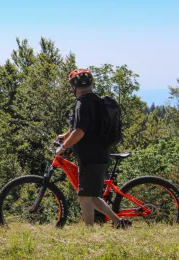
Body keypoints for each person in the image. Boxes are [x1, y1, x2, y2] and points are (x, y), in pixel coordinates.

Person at [55, 68, 131, 229]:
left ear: (73, 87)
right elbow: (79, 127)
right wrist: (65, 135)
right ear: (91, 84)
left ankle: (89, 234)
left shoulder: (82, 103)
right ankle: (119, 223)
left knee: (84, 197)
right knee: (91, 196)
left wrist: (63, 146)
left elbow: (80, 131)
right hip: (98, 154)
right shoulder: (96, 101)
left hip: (91, 156)